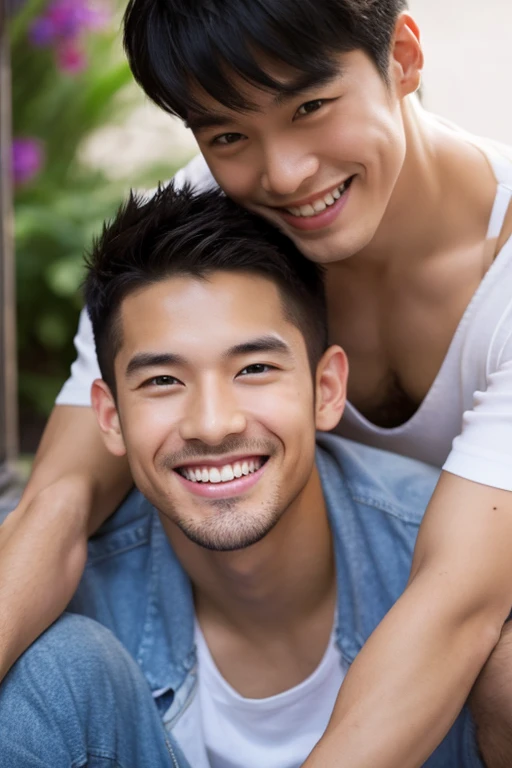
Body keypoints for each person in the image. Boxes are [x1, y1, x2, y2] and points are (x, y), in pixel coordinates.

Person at [1, 0, 512, 765]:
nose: (285, 172)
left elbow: (460, 608)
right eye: (229, 134)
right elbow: (61, 502)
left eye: (312, 106)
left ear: (403, 58)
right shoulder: (202, 224)